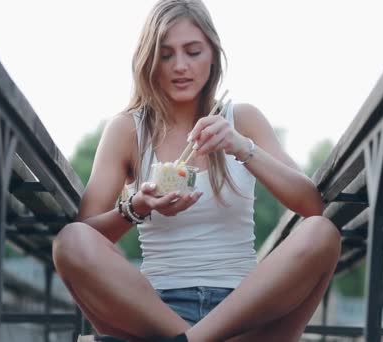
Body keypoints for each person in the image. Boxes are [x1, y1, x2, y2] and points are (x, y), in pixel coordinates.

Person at [52, 0, 341, 340]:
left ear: (213, 55)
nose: (181, 66)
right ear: (150, 60)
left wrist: (242, 147)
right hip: (156, 311)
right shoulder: (127, 130)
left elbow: (311, 206)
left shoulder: (243, 120)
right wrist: (137, 208)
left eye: (193, 51)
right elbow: (89, 234)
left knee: (323, 233)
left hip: (243, 312)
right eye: (166, 54)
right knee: (69, 241)